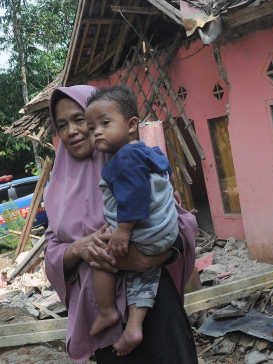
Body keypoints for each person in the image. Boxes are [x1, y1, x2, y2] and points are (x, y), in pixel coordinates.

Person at [43, 85, 198, 363]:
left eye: (80, 120)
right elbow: (52, 251)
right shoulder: (56, 189)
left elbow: (178, 225)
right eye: (62, 125)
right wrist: (77, 249)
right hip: (101, 320)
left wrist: (145, 259)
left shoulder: (134, 164)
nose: (73, 131)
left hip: (153, 311)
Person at [85, 86, 180, 356]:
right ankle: (134, 326)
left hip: (144, 232)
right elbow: (165, 170)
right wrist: (170, 192)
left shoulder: (124, 156)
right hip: (164, 235)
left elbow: (136, 194)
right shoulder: (148, 151)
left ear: (132, 125)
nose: (97, 132)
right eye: (92, 128)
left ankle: (106, 311)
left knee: (100, 255)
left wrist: (122, 231)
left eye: (104, 123)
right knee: (144, 275)